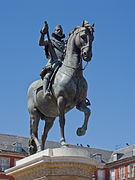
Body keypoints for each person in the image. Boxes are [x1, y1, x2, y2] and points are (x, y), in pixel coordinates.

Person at [39, 22, 65, 97]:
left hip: (63, 63)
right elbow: (40, 43)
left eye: (60, 30)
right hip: (53, 63)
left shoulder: (64, 44)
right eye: (57, 30)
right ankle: (45, 91)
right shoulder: (50, 41)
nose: (59, 31)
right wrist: (42, 33)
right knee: (48, 76)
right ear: (54, 31)